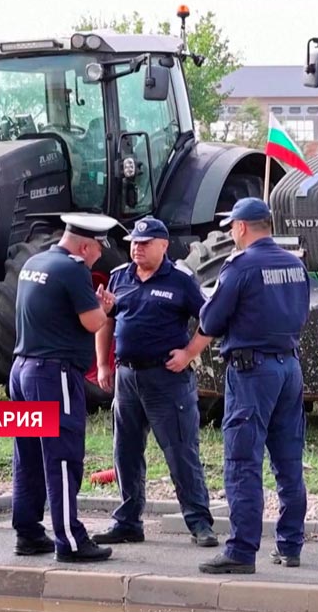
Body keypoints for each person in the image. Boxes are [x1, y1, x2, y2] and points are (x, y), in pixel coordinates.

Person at [195, 197, 311, 574]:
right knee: (288, 460)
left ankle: (241, 551)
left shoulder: (240, 266)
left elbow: (211, 320)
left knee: (243, 460)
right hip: (289, 367)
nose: (230, 232)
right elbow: (302, 313)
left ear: (242, 227)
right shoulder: (295, 264)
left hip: (252, 372)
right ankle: (290, 546)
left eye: (232, 227)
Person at [90, 216, 218, 548]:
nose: (137, 248)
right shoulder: (120, 277)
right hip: (127, 377)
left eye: (145, 243)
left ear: (163, 245)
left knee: (180, 452)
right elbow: (106, 321)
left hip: (167, 380)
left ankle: (199, 523)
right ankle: (128, 522)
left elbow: (210, 320)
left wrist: (189, 353)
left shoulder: (180, 280)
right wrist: (103, 364)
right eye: (134, 242)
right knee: (126, 452)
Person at [10, 213, 118, 563]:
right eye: (98, 250)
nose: (98, 257)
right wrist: (104, 308)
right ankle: (70, 540)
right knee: (62, 457)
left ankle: (28, 534)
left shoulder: (35, 261)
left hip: (22, 369)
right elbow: (91, 323)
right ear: (85, 245)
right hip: (52, 374)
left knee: (27, 456)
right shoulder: (73, 269)